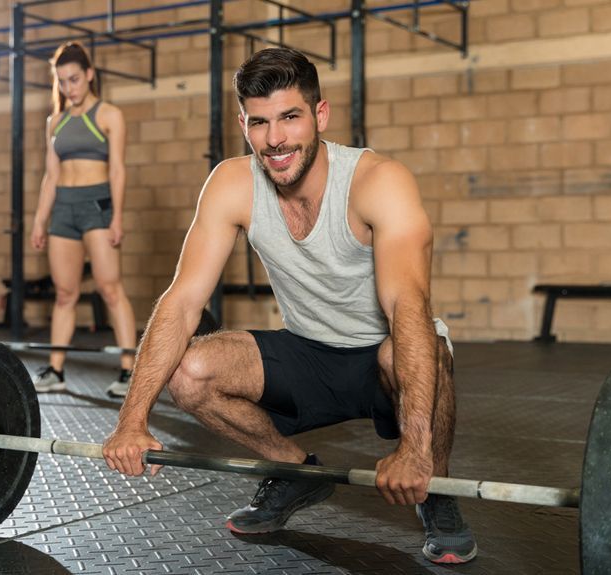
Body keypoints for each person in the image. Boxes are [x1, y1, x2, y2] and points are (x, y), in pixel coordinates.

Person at [101, 47, 477, 565]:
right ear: (244, 124)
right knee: (190, 372)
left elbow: (407, 306)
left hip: (389, 356)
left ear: (319, 115)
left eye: (290, 117)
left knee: (421, 348)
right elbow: (183, 300)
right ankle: (295, 470)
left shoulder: (377, 181)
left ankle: (435, 489)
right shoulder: (231, 184)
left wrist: (414, 448)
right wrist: (131, 419)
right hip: (309, 353)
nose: (275, 139)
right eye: (260, 122)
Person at [30, 41, 137, 398]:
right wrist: (39, 220)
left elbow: (118, 170)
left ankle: (128, 371)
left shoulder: (109, 115)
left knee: (109, 288)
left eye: (74, 79)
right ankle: (56, 370)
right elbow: (50, 177)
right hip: (64, 208)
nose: (68, 88)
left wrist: (117, 217)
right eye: (62, 82)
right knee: (64, 294)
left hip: (97, 205)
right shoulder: (55, 122)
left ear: (89, 75)